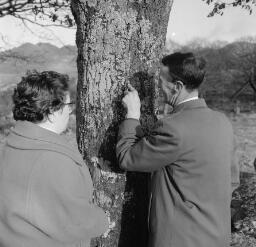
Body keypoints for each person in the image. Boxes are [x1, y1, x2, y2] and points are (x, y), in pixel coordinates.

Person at [116, 52, 240, 247]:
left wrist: (132, 115)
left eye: (162, 81)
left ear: (178, 86)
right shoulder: (223, 123)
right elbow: (232, 180)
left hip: (180, 238)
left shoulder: (174, 128)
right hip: (217, 236)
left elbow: (127, 158)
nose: (158, 86)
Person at [0, 71, 108, 247]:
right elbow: (74, 221)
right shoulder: (53, 160)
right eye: (68, 104)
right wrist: (101, 219)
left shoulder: (10, 147)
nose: (70, 110)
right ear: (52, 111)